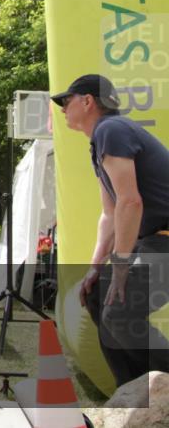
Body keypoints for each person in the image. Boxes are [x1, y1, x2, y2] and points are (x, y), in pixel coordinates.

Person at [53, 74, 169, 385]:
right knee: (97, 296)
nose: (63, 108)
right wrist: (95, 268)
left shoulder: (111, 129)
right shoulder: (101, 140)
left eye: (67, 101)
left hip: (164, 242)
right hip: (154, 241)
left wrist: (119, 264)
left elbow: (131, 203)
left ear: (88, 101)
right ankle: (134, 393)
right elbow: (110, 214)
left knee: (119, 314)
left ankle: (150, 388)